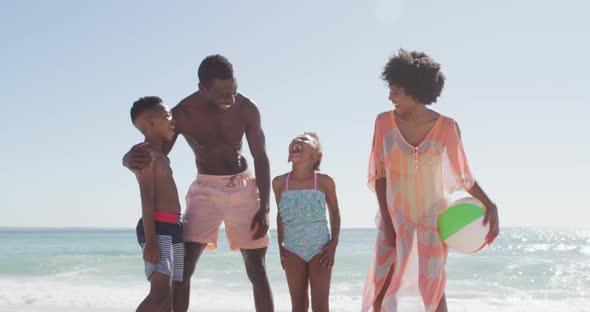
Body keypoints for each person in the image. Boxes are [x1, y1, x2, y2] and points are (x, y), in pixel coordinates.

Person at [123, 55, 274, 312]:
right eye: (223, 93)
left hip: (243, 186)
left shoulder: (247, 108)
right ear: (202, 88)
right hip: (205, 190)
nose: (231, 98)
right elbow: (156, 152)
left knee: (256, 267)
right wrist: (128, 158)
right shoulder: (182, 114)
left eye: (234, 90)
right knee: (184, 269)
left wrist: (266, 207)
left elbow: (261, 156)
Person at [361, 49, 500, 312]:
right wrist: (388, 222)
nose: (390, 97)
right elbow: (379, 175)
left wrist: (490, 204)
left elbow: (463, 176)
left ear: (415, 91)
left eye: (396, 91)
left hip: (432, 217)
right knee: (383, 280)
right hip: (395, 215)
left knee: (433, 287)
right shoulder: (383, 123)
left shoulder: (447, 128)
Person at [273, 132, 341, 312]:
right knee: (298, 304)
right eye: (294, 139)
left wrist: (333, 243)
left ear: (316, 155)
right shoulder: (280, 182)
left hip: (320, 248)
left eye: (304, 140)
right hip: (292, 248)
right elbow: (280, 216)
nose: (297, 140)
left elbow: (334, 212)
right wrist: (280, 246)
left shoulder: (324, 181)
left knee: (320, 305)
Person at [130, 96, 184, 312]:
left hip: (173, 228)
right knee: (159, 294)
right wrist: (151, 241)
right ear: (151, 123)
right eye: (167, 115)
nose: (173, 120)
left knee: (168, 298)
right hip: (157, 229)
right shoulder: (146, 155)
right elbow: (147, 198)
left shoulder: (161, 155)